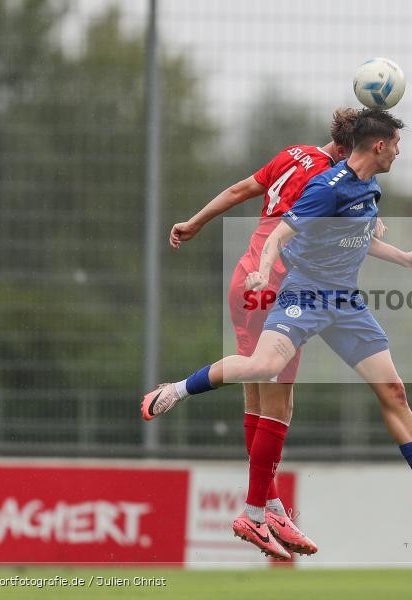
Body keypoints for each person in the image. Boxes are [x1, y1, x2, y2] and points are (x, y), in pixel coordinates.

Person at [142, 108, 412, 560]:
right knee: (265, 373)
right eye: (396, 144)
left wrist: (403, 257)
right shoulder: (326, 186)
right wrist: (264, 273)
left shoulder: (367, 187)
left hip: (345, 304)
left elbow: (356, 238)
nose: (400, 151)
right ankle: (182, 391)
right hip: (303, 294)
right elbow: (281, 234)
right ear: (378, 145)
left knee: (393, 390)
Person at [143, 108, 362, 560]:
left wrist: (196, 221)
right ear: (345, 149)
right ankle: (256, 511)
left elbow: (242, 189)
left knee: (259, 399)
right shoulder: (333, 180)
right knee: (279, 404)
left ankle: (273, 505)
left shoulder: (293, 155)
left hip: (244, 278)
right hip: (279, 285)